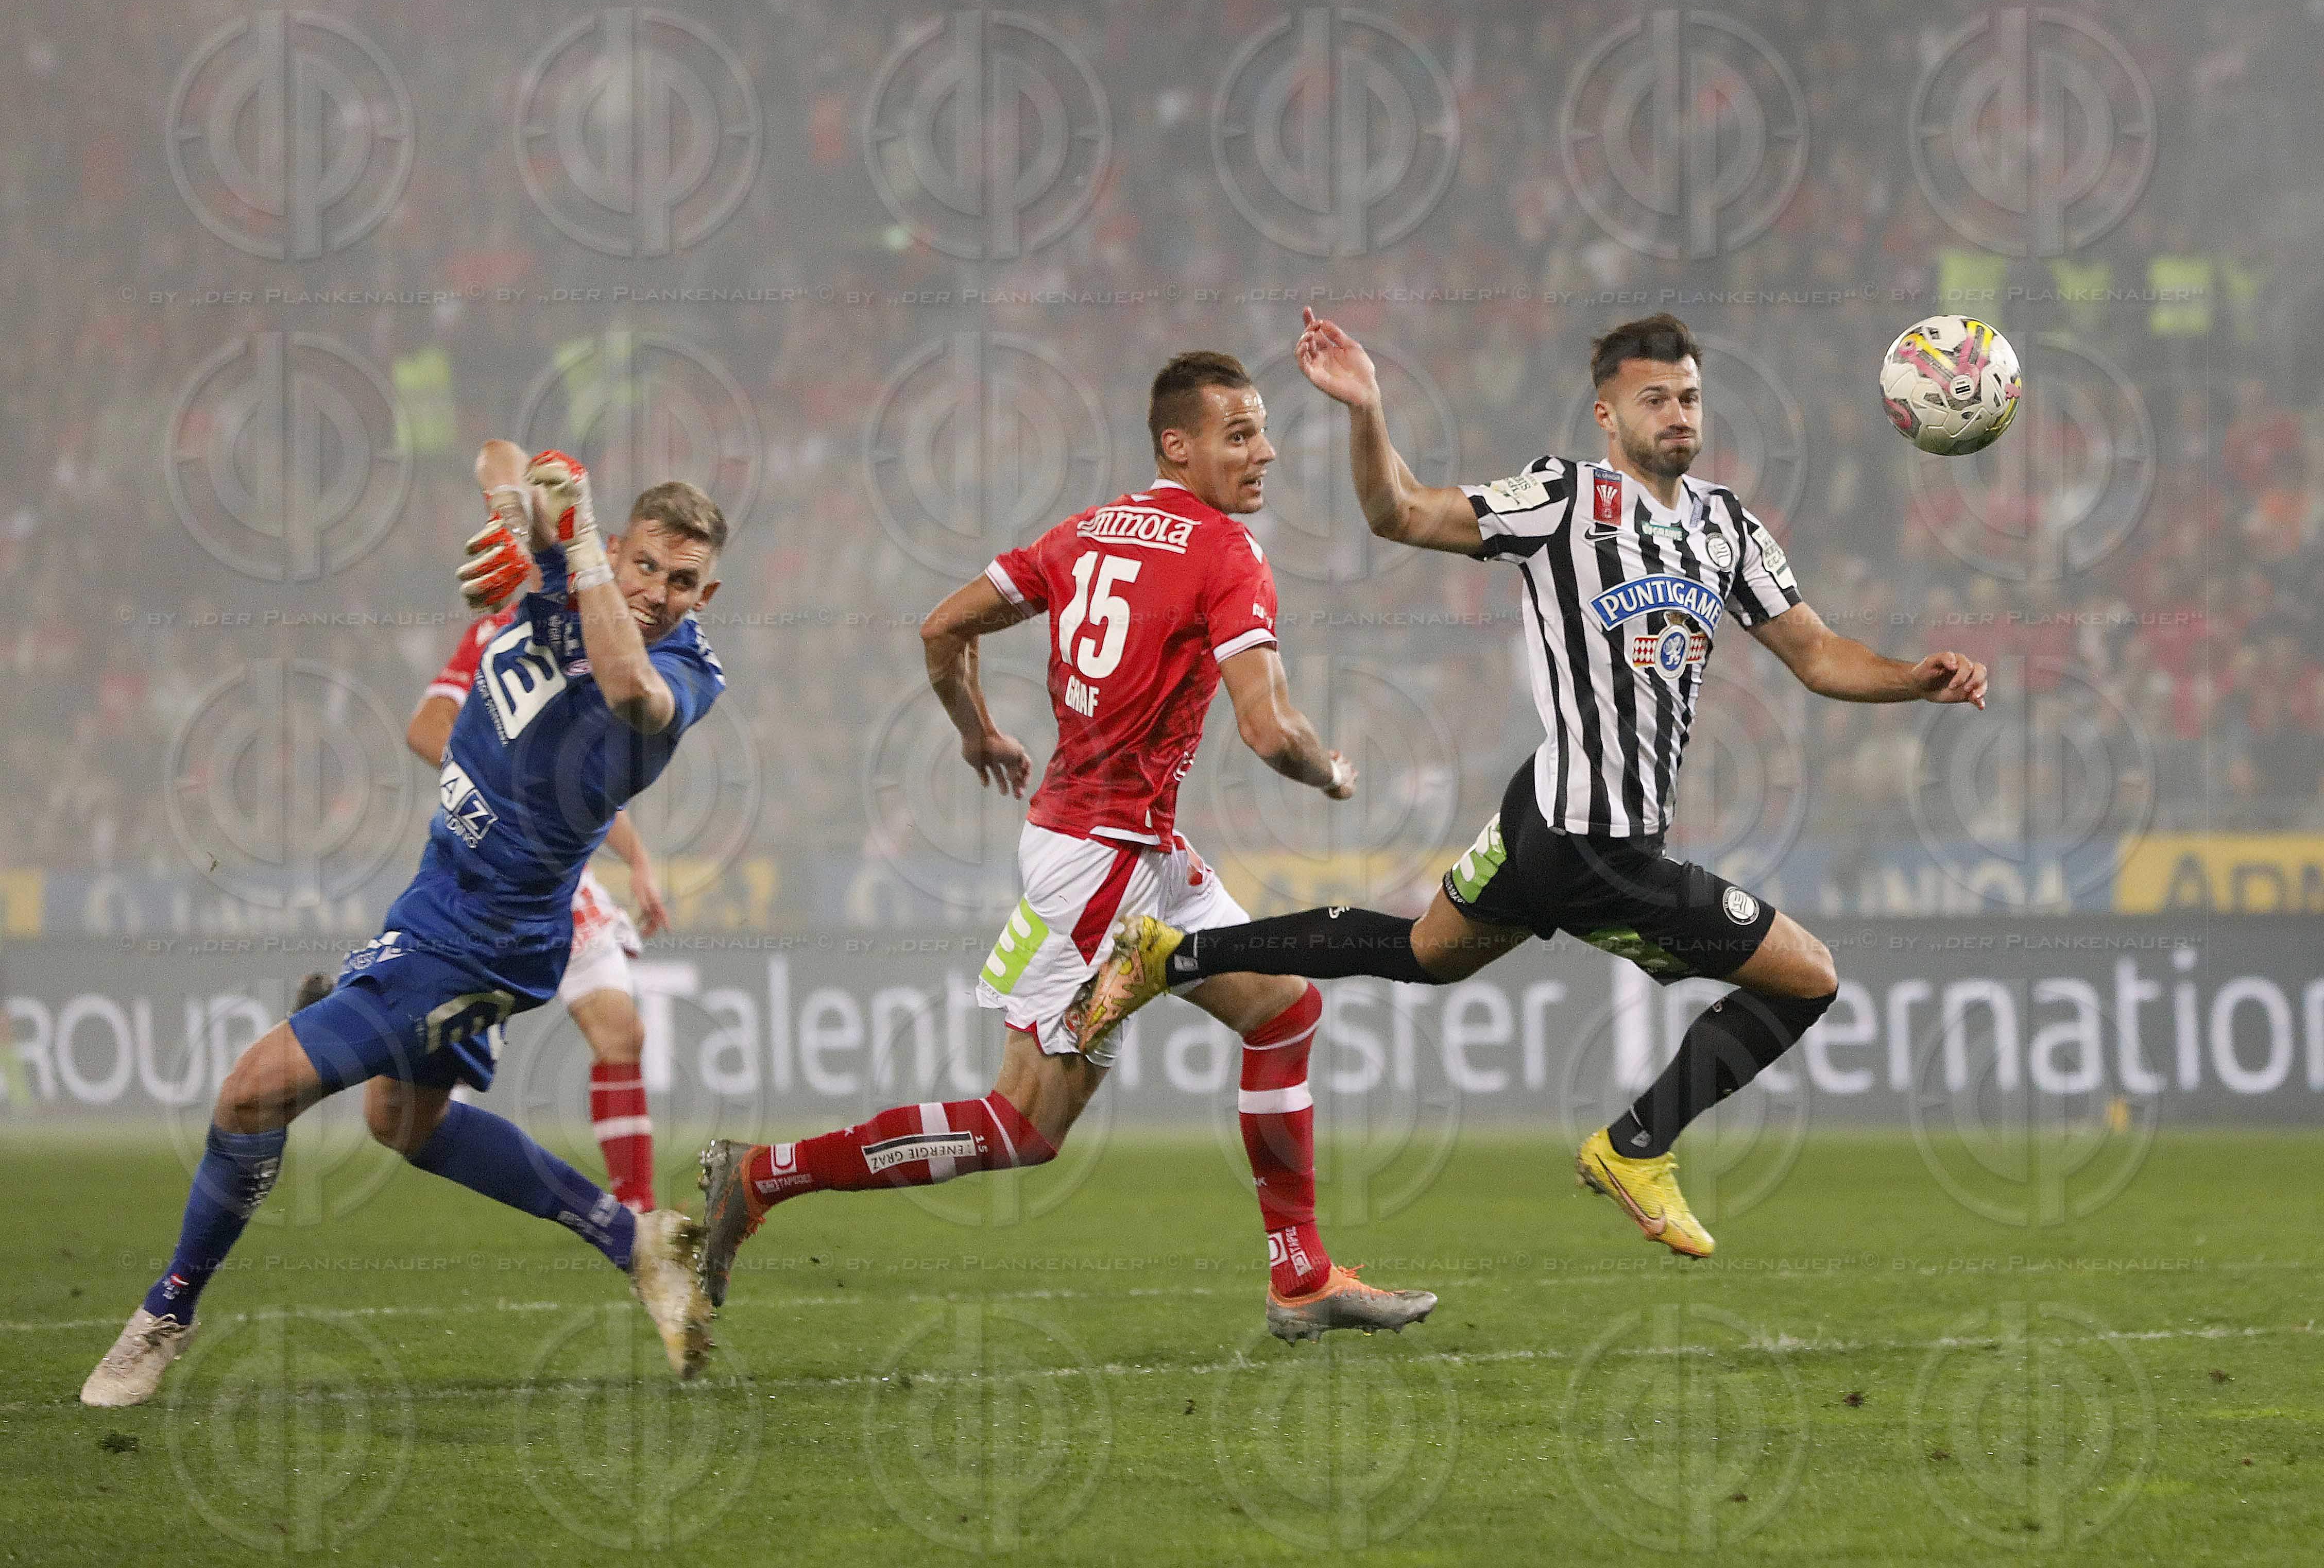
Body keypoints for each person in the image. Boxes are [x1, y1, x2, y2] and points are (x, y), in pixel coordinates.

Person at [1069, 311, 1990, 1259]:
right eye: (1654, 399)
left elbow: (1816, 652)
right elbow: (1403, 512)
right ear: (1606, 413)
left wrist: (1908, 678)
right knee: (1807, 978)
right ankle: (1635, 1147)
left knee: (1425, 952)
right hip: (1596, 843)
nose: (1677, 414)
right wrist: (1366, 406)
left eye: (1689, 398)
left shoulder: (1727, 526)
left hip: (1540, 814)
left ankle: (1170, 955)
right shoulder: (1562, 499)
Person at [697, 352, 1435, 1341]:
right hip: (1103, 872)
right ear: (1178, 445)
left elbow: (940, 626)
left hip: (1137, 854)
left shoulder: (1084, 532)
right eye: (1239, 434)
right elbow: (1269, 730)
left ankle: (1299, 1276)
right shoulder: (1226, 554)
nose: (1264, 453)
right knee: (1022, 1127)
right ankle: (761, 1175)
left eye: (1263, 432)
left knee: (1283, 1011)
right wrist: (1331, 773)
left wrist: (975, 729)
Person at [82, 447, 730, 1406]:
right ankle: (629, 1237)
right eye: (648, 566)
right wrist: (518, 512)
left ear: (704, 593)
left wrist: (581, 543)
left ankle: (167, 1310)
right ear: (628, 549)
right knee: (403, 1121)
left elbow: (629, 686)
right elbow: (502, 455)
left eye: (683, 581)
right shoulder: (568, 569)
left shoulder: (681, 667)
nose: (659, 591)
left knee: (252, 1093)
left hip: (487, 937)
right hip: (443, 892)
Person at [404, 603, 672, 1212]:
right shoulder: (502, 629)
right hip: (493, 872)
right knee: (412, 1090)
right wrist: (497, 777)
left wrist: (638, 859)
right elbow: (426, 726)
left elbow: (577, 781)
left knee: (621, 1032)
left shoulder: (592, 642)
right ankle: (349, 1017)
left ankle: (638, 1214)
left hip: (560, 875)